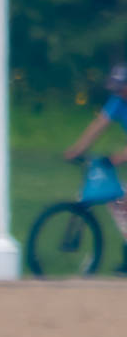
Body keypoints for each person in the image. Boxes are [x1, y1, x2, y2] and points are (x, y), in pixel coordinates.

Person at [61, 62, 127, 237]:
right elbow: (98, 126)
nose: (118, 92)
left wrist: (120, 157)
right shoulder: (118, 101)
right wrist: (78, 150)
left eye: (121, 87)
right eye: (116, 88)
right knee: (120, 202)